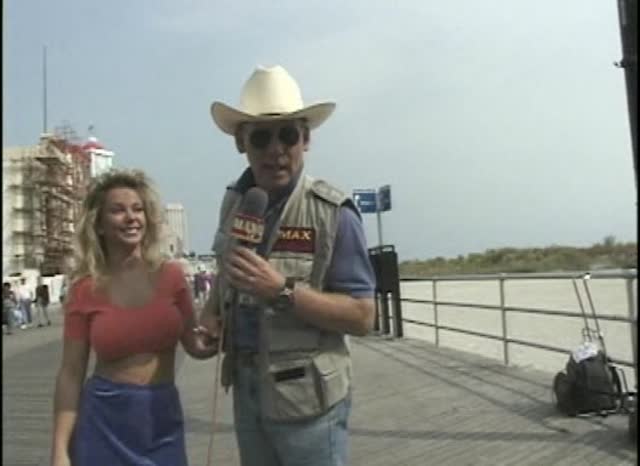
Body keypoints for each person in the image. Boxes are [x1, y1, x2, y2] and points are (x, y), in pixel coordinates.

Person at [200, 65, 376, 466]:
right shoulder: (234, 202)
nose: (275, 149)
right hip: (246, 393)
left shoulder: (333, 213)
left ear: (306, 139)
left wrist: (282, 291)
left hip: (309, 406)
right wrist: (210, 315)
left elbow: (363, 316)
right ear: (241, 142)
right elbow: (227, 274)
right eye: (261, 137)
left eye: (288, 135)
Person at [50, 169, 218, 466]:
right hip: (104, 419)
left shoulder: (172, 276)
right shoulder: (84, 289)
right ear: (99, 224)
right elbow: (71, 372)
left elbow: (195, 344)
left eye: (137, 209)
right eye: (118, 210)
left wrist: (220, 329)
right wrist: (60, 450)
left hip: (161, 417)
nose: (131, 217)